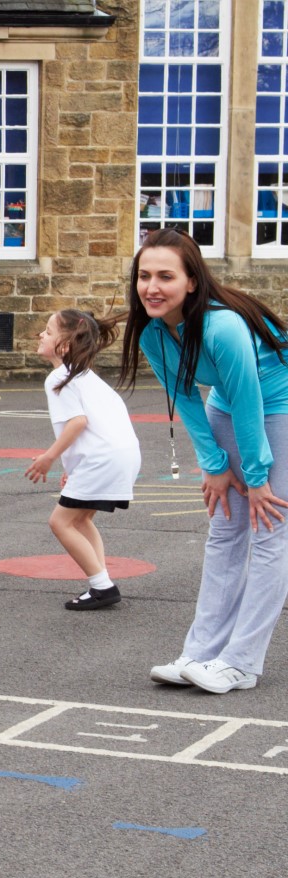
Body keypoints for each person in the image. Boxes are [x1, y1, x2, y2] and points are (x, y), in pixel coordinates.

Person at [120, 228, 288, 694]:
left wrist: (256, 477)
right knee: (224, 529)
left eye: (166, 276)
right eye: (145, 275)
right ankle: (202, 652)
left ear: (192, 281)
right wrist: (214, 466)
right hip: (226, 404)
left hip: (279, 402)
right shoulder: (153, 330)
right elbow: (187, 401)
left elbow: (251, 399)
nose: (152, 287)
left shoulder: (223, 325)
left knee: (270, 529)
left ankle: (241, 663)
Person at [25, 310, 140, 610]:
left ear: (64, 345)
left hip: (102, 458)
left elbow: (77, 423)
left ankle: (102, 586)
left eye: (48, 332)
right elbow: (95, 426)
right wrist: (71, 469)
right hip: (121, 455)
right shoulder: (88, 378)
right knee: (82, 518)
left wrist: (49, 457)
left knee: (60, 522)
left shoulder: (59, 378)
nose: (41, 335)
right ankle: (99, 580)